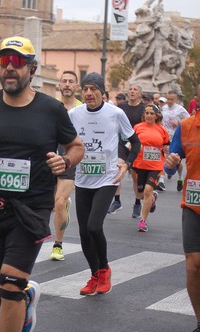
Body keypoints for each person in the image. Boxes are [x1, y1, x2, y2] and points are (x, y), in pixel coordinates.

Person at [0, 36, 84, 332]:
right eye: (4, 61)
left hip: (32, 208)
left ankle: (19, 292)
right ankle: (27, 297)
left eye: (17, 62)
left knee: (10, 285)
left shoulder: (51, 109)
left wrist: (65, 161)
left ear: (32, 68)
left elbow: (76, 146)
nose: (9, 68)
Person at [69, 73, 140, 296]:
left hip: (107, 178)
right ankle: (94, 275)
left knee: (93, 226)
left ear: (102, 92)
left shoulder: (115, 113)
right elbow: (66, 142)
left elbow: (135, 142)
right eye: (85, 89)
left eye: (93, 89)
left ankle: (104, 269)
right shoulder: (74, 114)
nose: (88, 93)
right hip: (82, 178)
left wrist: (126, 164)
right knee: (83, 232)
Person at [165, 86, 200, 332]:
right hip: (194, 203)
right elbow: (170, 166)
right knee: (193, 264)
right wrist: (170, 163)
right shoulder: (187, 126)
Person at [50, 70, 82, 261]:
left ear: (76, 86)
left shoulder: (82, 109)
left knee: (59, 202)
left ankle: (58, 244)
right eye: (64, 81)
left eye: (71, 81)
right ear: (59, 85)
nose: (68, 84)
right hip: (49, 156)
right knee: (50, 203)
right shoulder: (51, 107)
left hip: (69, 157)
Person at [108, 83, 145, 217]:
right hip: (122, 143)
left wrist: (134, 141)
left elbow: (145, 127)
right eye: (130, 89)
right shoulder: (121, 107)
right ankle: (117, 201)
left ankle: (137, 203)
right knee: (117, 168)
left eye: (135, 89)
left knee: (135, 176)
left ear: (140, 93)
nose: (132, 91)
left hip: (136, 144)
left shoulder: (143, 108)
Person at [131, 104, 169, 232]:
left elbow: (166, 146)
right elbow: (129, 142)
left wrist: (167, 151)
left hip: (155, 166)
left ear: (156, 116)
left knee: (148, 190)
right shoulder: (137, 127)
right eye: (147, 113)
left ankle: (143, 222)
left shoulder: (162, 130)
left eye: (152, 113)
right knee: (141, 194)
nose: (149, 116)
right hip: (140, 164)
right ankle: (153, 199)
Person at [162, 91, 190, 191]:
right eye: (168, 99)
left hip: (176, 137)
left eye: (171, 99)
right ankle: (161, 180)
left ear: (176, 100)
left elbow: (189, 122)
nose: (169, 101)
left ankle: (180, 177)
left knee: (176, 161)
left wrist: (178, 124)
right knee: (164, 157)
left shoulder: (180, 109)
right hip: (165, 136)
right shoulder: (164, 108)